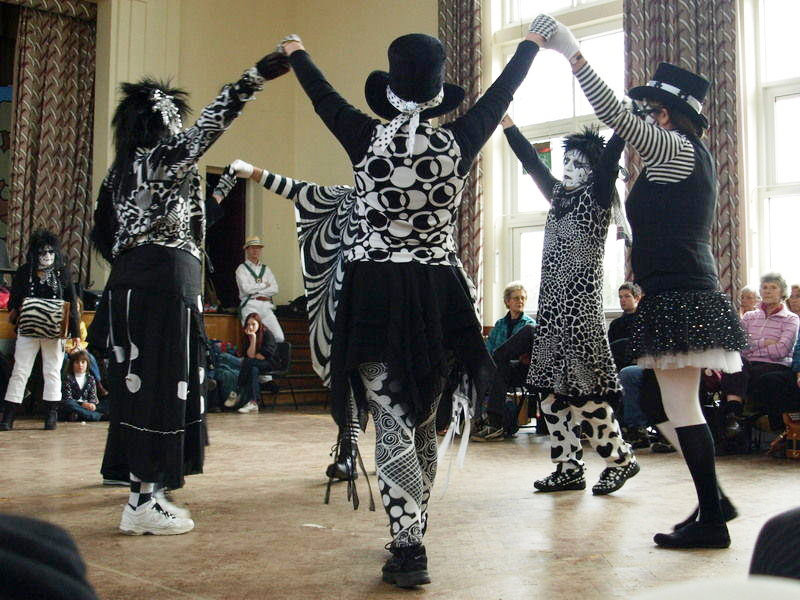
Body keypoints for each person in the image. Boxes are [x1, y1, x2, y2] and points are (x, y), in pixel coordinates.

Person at [278, 18, 545, 586]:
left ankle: (408, 544)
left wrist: (297, 51)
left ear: (391, 87)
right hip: (439, 292)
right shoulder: (460, 138)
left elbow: (322, 96)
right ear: (437, 90)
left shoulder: (364, 135)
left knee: (395, 417)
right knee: (424, 412)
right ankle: (414, 523)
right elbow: (502, 94)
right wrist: (529, 46)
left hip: (376, 289)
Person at [540, 14, 746, 548]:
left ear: (672, 116)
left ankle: (713, 519)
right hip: (674, 291)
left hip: (684, 294)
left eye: (655, 111)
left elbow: (611, 112)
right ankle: (715, 501)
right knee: (658, 405)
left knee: (679, 407)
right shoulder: (674, 157)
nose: (648, 118)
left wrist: (571, 52)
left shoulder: (675, 149)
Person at [87, 52, 289, 535]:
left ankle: (147, 488)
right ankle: (141, 501)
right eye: (174, 118)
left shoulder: (123, 172)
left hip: (143, 285)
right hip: (158, 288)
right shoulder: (157, 160)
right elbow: (211, 125)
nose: (182, 127)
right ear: (158, 123)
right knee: (156, 389)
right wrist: (256, 74)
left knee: (149, 387)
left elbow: (132, 231)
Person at [498, 110, 639, 495]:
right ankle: (568, 465)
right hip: (551, 314)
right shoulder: (559, 196)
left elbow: (611, 158)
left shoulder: (596, 199)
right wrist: (509, 126)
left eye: (578, 163)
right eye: (566, 162)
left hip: (581, 314)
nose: (569, 169)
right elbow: (530, 161)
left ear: (594, 171)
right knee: (549, 396)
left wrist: (624, 123)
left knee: (584, 396)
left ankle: (621, 459)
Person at [0, 230, 80, 431]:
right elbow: (14, 301)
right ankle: (9, 415)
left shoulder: (62, 274)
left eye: (51, 252)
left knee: (52, 371)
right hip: (28, 328)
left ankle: (51, 413)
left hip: (55, 331)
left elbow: (72, 303)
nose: (47, 256)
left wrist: (76, 333)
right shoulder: (24, 272)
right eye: (42, 252)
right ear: (35, 253)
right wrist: (16, 310)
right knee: (20, 370)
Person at [721, 273, 799, 437]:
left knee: (740, 374)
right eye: (764, 287)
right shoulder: (749, 317)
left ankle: (735, 419)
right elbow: (739, 345)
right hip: (748, 363)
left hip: (775, 366)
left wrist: (753, 344)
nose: (768, 291)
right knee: (736, 363)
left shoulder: (791, 319)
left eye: (773, 287)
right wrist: (765, 342)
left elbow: (782, 351)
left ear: (782, 292)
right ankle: (735, 418)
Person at [472, 281, 535, 441]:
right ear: (507, 301)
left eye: (522, 298)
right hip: (502, 369)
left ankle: (494, 425)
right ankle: (487, 423)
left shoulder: (530, 325)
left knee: (497, 364)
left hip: (522, 371)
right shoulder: (500, 324)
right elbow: (488, 348)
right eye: (516, 298)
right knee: (496, 366)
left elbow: (528, 357)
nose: (520, 301)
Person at [235, 237, 285, 342]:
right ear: (247, 250)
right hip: (250, 305)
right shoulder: (241, 269)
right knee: (253, 338)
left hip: (266, 306)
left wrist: (257, 290)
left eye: (258, 248)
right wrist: (263, 285)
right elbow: (246, 289)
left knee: (279, 337)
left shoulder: (266, 269)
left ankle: (268, 358)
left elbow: (275, 289)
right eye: (252, 248)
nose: (255, 251)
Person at [234, 312, 278, 414]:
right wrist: (253, 338)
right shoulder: (248, 336)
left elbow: (260, 357)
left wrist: (254, 356)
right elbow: (251, 356)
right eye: (248, 324)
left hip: (270, 363)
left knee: (248, 363)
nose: (250, 327)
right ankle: (254, 402)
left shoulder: (267, 334)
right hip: (255, 364)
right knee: (253, 369)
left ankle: (237, 390)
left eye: (253, 324)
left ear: (259, 324)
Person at [61, 349, 108, 422]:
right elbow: (68, 397)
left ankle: (81, 415)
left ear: (87, 364)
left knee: (108, 403)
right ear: (72, 364)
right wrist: (82, 404)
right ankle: (97, 416)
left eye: (83, 362)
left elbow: (92, 396)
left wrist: (92, 404)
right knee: (68, 404)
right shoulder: (68, 378)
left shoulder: (90, 378)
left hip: (87, 406)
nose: (80, 365)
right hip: (76, 405)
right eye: (77, 363)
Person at [608, 282, 642, 371]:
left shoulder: (644, 321)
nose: (622, 300)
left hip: (639, 363)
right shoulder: (615, 324)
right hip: (618, 365)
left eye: (627, 296)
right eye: (620, 297)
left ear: (637, 298)